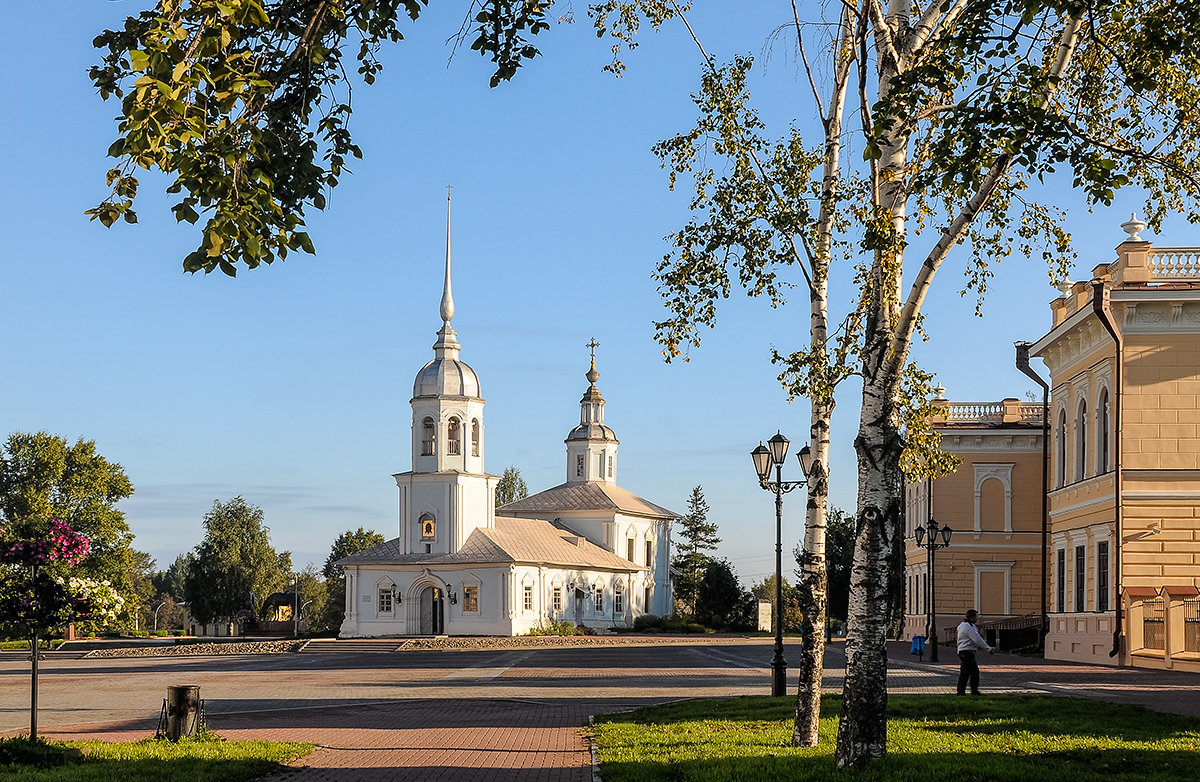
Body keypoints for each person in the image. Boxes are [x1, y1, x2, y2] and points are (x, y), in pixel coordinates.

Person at [956, 609, 993, 695]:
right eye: (976, 616)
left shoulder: (962, 625)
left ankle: (971, 691)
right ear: (972, 617)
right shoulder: (969, 627)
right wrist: (988, 649)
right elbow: (977, 639)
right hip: (967, 651)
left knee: (973, 673)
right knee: (966, 673)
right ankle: (962, 692)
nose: (977, 618)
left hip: (964, 651)